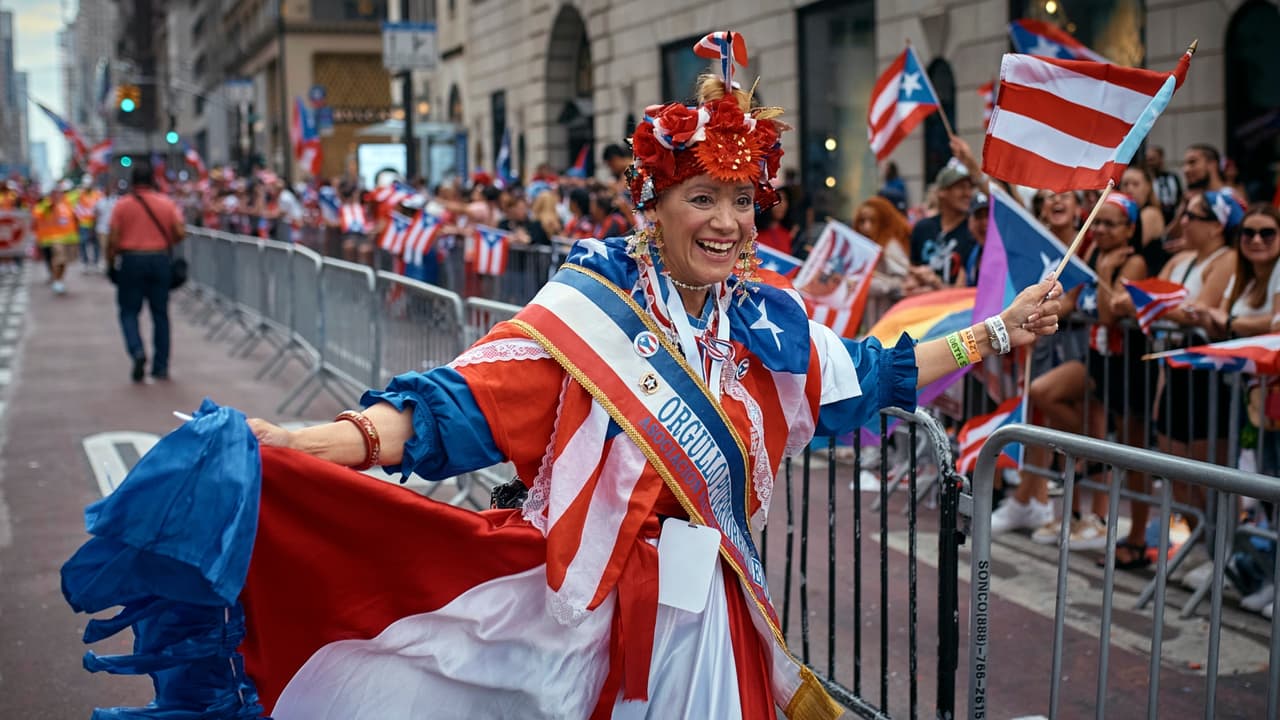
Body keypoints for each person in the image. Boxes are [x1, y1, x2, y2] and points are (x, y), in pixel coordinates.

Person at [79, 34, 1064, 719]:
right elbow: (452, 414)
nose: (726, 220)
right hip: (580, 611)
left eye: (738, 199)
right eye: (700, 197)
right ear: (653, 206)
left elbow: (874, 374)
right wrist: (311, 444)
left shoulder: (766, 322)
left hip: (712, 614)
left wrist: (995, 330)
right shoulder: (587, 315)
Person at [106, 160, 186, 382]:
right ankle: (161, 366)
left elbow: (112, 237)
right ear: (153, 180)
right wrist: (166, 240)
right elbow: (180, 231)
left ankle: (137, 350)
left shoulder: (122, 205)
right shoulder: (166, 203)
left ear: (133, 181)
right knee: (160, 314)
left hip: (131, 261)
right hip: (159, 260)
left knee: (128, 312)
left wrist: (110, 261)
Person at [904, 158, 975, 293]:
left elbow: (962, 293)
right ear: (942, 192)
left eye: (970, 187)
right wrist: (914, 282)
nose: (968, 193)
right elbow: (911, 276)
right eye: (960, 187)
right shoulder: (922, 228)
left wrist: (936, 284)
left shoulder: (973, 231)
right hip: (923, 308)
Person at [1145, 145, 1183, 224]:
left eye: (1152, 159)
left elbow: (1180, 197)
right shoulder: (1146, 179)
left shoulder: (1173, 177)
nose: (1150, 163)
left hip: (1173, 218)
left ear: (1161, 159)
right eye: (1148, 160)